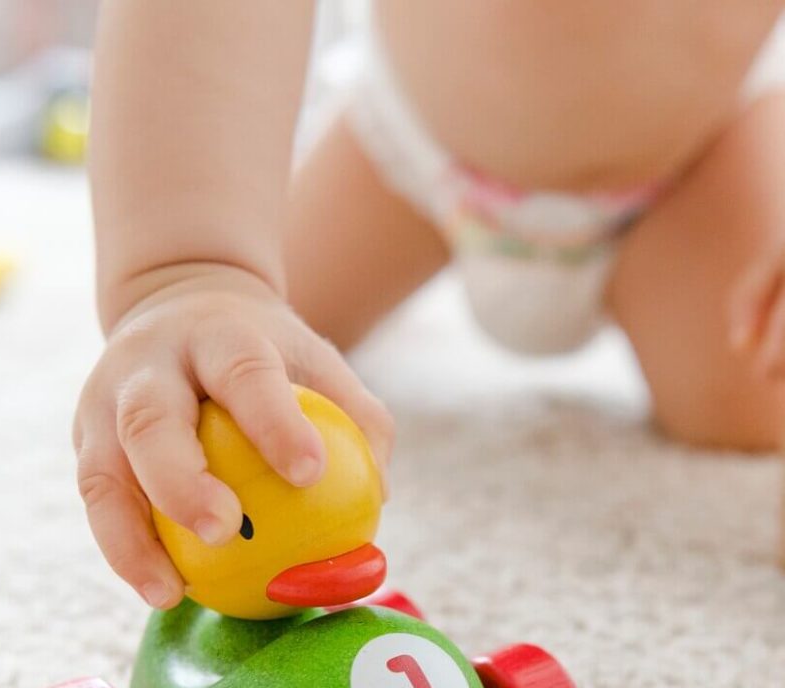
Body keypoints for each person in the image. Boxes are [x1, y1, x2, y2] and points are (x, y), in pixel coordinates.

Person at [75, 0, 785, 611]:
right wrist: (188, 270)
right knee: (241, 369)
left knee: (742, 405)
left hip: (703, 156)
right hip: (410, 149)